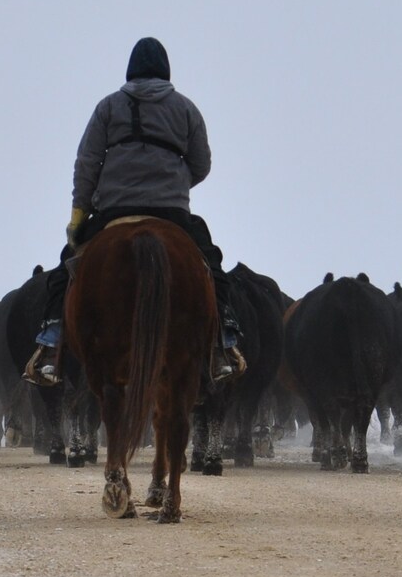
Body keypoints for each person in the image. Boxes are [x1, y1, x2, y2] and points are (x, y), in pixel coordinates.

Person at [23, 37, 246, 387]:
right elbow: (202, 163)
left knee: (65, 270)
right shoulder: (186, 108)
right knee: (212, 265)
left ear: (130, 70)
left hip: (114, 209)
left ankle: (50, 347)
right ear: (165, 70)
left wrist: (80, 215)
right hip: (172, 212)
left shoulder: (108, 107)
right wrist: (175, 182)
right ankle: (224, 344)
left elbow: (86, 163)